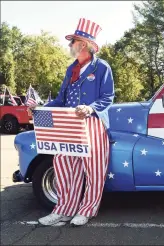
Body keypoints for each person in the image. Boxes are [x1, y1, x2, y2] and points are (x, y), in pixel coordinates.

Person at [28, 18, 115, 226]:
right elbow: (61, 99)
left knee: (93, 169)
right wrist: (40, 108)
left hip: (92, 124)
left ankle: (87, 210)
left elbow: (108, 96)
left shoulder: (101, 67)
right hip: (68, 126)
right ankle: (64, 209)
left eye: (72, 41)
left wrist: (90, 108)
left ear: (83, 44)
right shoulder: (71, 69)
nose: (69, 45)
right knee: (64, 165)